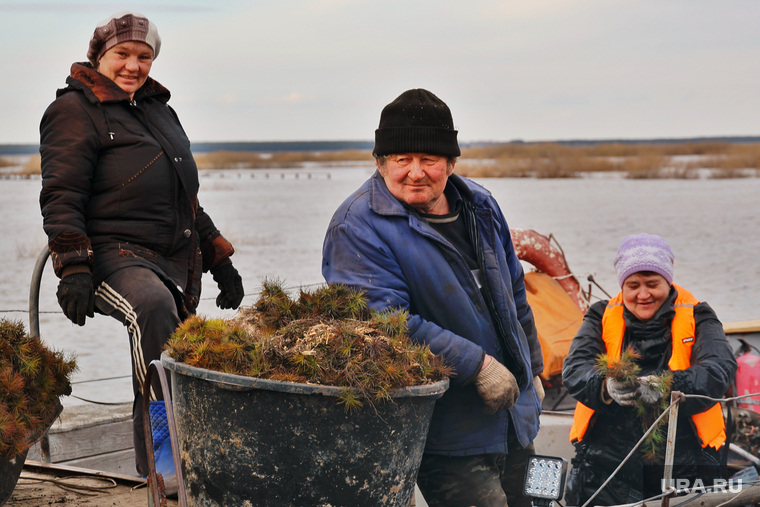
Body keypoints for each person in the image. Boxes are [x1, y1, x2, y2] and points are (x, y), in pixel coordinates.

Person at [38, 11, 245, 486]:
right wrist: (72, 267)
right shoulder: (74, 110)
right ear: (99, 57)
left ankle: (194, 459)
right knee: (152, 311)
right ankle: (164, 466)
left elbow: (182, 195)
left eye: (144, 56)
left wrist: (218, 257)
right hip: (110, 253)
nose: (133, 65)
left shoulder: (158, 110)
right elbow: (61, 195)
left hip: (170, 258)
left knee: (184, 350)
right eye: (122, 55)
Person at [322, 89, 545, 507]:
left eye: (429, 159)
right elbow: (382, 323)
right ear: (379, 162)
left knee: (538, 502)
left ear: (451, 162)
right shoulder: (357, 226)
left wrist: (532, 367)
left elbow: (514, 291)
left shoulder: (480, 205)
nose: (415, 172)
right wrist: (476, 365)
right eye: (401, 159)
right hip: (442, 430)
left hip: (514, 415)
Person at [562, 233, 737, 506]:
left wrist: (666, 386)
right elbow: (574, 368)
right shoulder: (599, 314)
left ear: (667, 282)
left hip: (685, 463)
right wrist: (605, 386)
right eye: (633, 285)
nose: (643, 295)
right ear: (623, 286)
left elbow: (719, 370)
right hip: (606, 465)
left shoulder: (699, 315)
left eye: (652, 284)